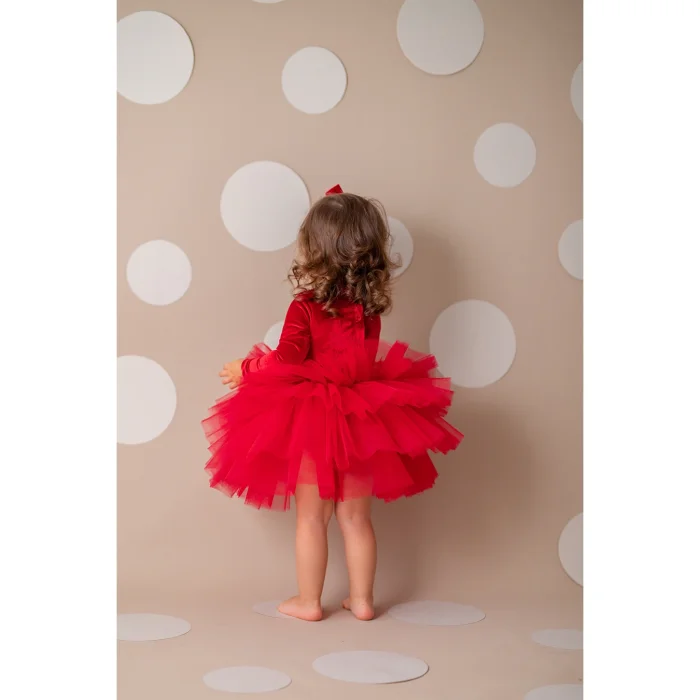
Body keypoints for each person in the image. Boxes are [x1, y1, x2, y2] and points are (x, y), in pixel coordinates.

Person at [202, 185, 463, 622]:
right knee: (356, 518)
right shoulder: (368, 310)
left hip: (312, 418)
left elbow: (287, 360)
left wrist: (246, 368)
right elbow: (354, 361)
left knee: (312, 518)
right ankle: (362, 601)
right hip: (362, 415)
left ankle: (309, 602)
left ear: (316, 249)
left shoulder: (304, 308)